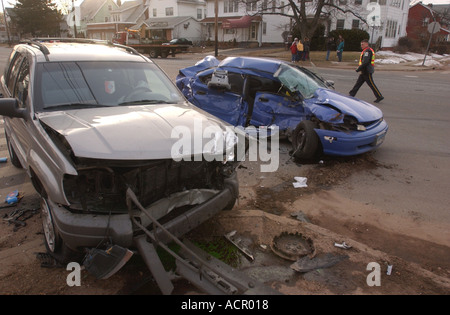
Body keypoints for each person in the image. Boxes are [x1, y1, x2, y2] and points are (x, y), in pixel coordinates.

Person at [349, 39, 384, 103]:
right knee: (358, 84)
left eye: (362, 44)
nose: (361, 46)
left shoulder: (368, 51)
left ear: (366, 44)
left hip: (367, 71)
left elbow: (366, 62)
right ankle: (351, 94)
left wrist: (358, 69)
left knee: (371, 84)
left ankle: (379, 96)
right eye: (361, 44)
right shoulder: (366, 51)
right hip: (364, 71)